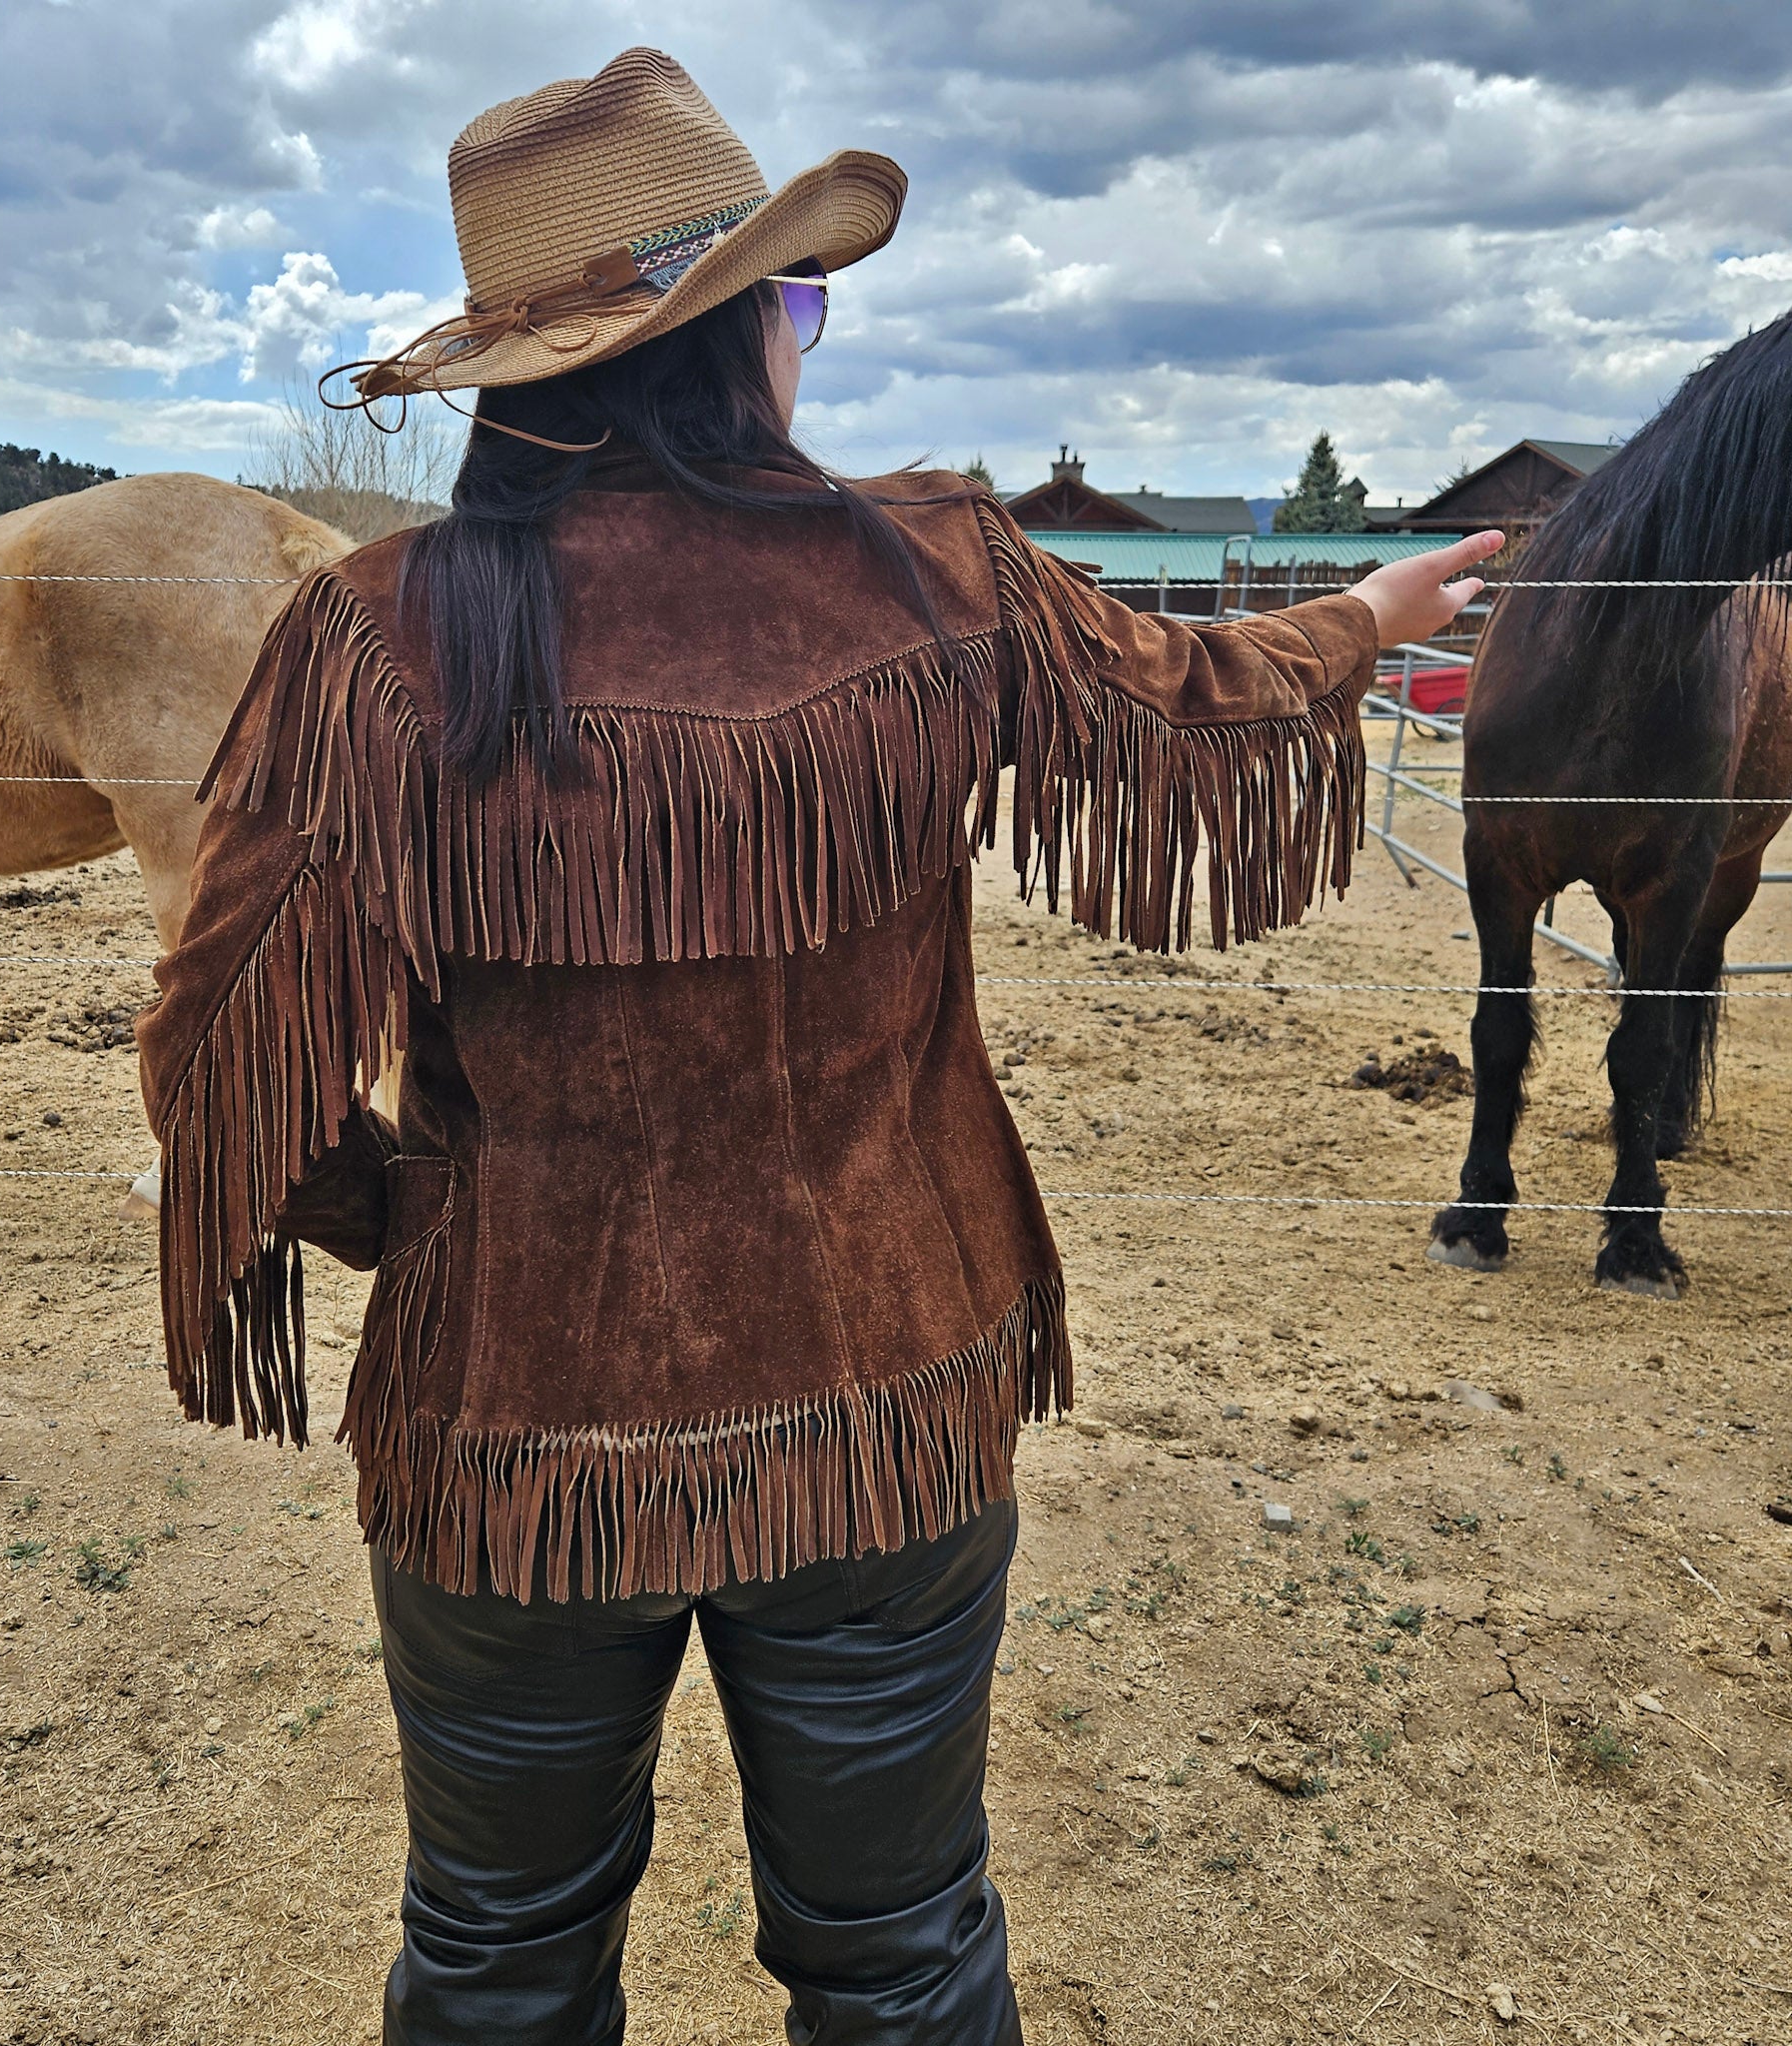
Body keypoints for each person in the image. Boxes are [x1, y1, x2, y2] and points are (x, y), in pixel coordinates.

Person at [137, 47, 1498, 2046]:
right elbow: (1200, 704)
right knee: (901, 1954)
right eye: (797, 295)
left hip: (509, 1428)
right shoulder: (933, 566)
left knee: (497, 1959)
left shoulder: (370, 633)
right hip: (885, 1397)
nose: (813, 328)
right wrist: (1358, 622)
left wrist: (410, 1216)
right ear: (736, 332)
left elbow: (212, 1048)